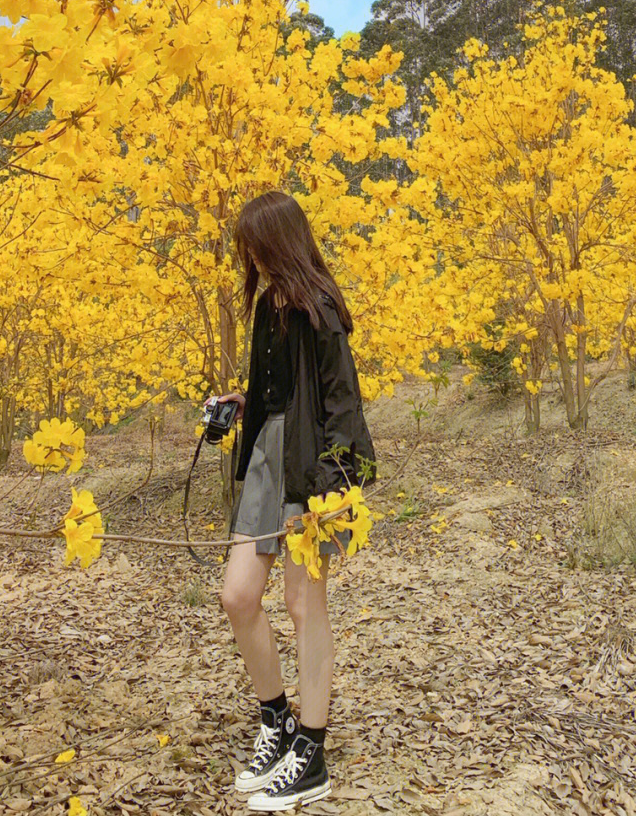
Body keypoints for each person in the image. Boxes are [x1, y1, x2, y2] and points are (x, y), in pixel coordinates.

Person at [219, 190, 376, 812]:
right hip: (266, 461)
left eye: (256, 242)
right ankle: (277, 720)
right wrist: (239, 405)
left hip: (313, 468)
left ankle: (311, 752)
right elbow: (273, 391)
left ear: (278, 241)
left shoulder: (319, 307)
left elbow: (343, 398)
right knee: (238, 596)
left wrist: (336, 485)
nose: (249, 254)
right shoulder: (267, 307)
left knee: (304, 604)